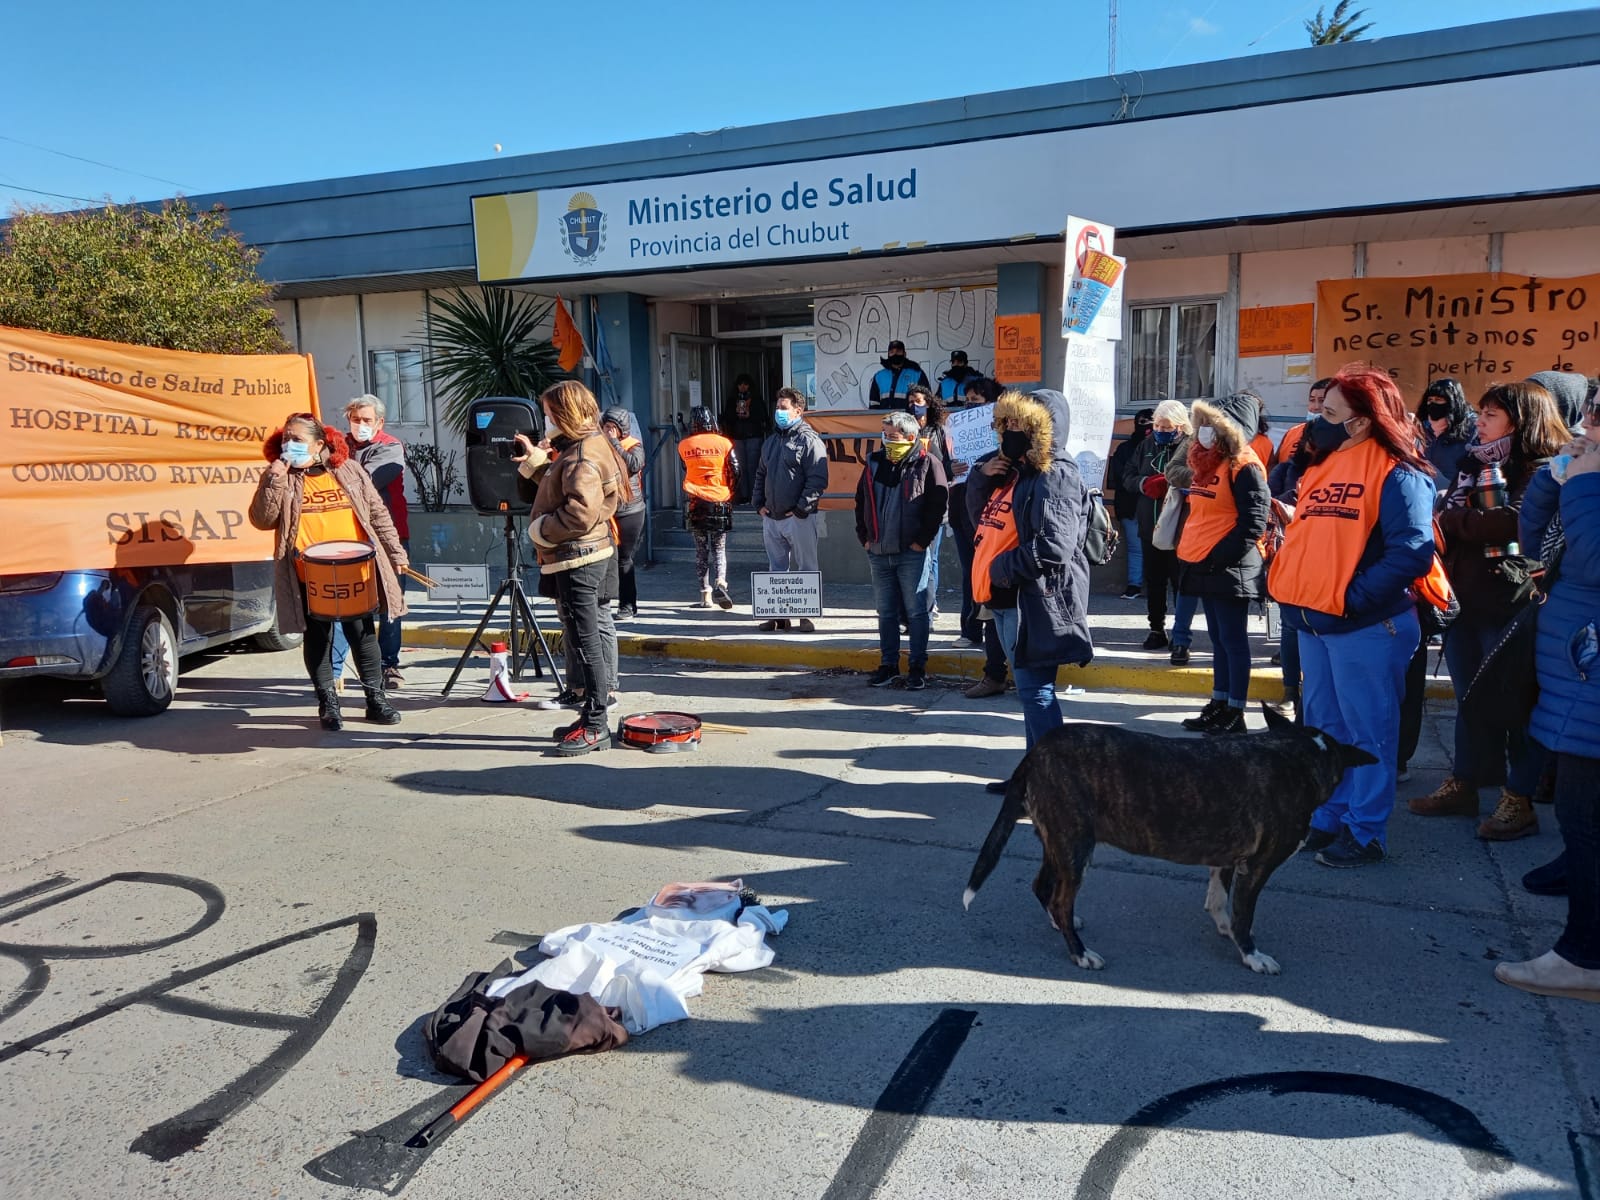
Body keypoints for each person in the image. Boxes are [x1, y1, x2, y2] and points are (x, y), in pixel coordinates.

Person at [1269, 365, 1435, 867]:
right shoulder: (1324, 466)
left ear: (1361, 422)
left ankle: (1366, 832)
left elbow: (1412, 553)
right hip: (1316, 624)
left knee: (1368, 735)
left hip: (1364, 626)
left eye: (1329, 412)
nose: (1315, 419)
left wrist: (1350, 598)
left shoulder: (1400, 473)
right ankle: (1329, 817)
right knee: (1325, 729)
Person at [1410, 380, 1568, 837]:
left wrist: (1449, 521)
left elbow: (1511, 521)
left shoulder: (1544, 469)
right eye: (1480, 413)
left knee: (1514, 701)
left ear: (1521, 424)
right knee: (1470, 698)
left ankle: (1517, 799)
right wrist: (1456, 520)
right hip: (1464, 599)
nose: (1478, 423)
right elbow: (1464, 516)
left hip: (1511, 601)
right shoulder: (1471, 464)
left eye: (1491, 416)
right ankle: (1465, 782)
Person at [1495, 433, 1600, 1002]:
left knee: (1584, 816)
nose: (1582, 437)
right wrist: (1551, 480)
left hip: (1591, 679)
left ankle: (1584, 958)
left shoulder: (1594, 488)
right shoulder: (1585, 484)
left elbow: (1594, 558)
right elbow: (1534, 554)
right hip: (1577, 674)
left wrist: (1584, 480)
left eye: (1594, 427)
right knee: (1580, 820)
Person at [967, 388, 1094, 789]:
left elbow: (1054, 546)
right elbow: (981, 522)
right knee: (1028, 693)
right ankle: (1032, 777)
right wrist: (979, 478)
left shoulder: (1055, 474)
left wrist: (1000, 568)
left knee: (1036, 692)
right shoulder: (1014, 471)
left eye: (1019, 424)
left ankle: (1057, 783)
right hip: (1007, 598)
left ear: (1042, 429)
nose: (1010, 432)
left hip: (1035, 599)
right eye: (1005, 424)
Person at [249, 413, 408, 731]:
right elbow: (262, 519)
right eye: (286, 439)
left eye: (297, 439)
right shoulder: (283, 476)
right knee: (318, 638)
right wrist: (274, 477)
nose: (289, 445)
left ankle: (376, 702)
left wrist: (396, 553)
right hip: (307, 574)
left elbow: (376, 512)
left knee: (362, 635)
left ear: (319, 443)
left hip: (354, 571)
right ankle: (328, 705)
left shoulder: (346, 470)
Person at [513, 381, 629, 756]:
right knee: (584, 638)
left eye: (548, 414)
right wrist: (537, 464)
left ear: (565, 414)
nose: (546, 420)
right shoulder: (586, 446)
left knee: (586, 641)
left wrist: (539, 531)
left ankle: (596, 724)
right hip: (584, 553)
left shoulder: (582, 455)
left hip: (579, 556)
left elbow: (579, 512)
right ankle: (590, 716)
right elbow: (561, 486)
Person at [1175, 393, 1270, 736]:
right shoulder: (1209, 461)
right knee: (1218, 638)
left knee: (1233, 639)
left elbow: (1254, 522)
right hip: (1206, 563)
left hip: (1230, 566)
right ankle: (1219, 701)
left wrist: (1219, 558)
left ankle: (1236, 709)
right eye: (1202, 425)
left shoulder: (1245, 465)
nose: (1204, 431)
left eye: (1212, 425)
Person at [855, 410, 948, 689]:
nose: (886, 441)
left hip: (912, 553)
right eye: (884, 435)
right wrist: (865, 538)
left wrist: (922, 541)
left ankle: (917, 668)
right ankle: (889, 665)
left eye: (892, 436)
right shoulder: (873, 462)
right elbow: (860, 502)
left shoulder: (928, 463)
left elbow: (938, 507)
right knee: (886, 613)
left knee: (917, 612)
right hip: (879, 552)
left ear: (910, 437)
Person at [328, 395, 409, 690]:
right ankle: (335, 670)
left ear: (379, 423)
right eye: (355, 419)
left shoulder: (390, 447)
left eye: (366, 420)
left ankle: (389, 665)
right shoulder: (337, 446)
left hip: (388, 536)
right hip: (347, 536)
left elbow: (365, 481)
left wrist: (333, 466)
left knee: (390, 604)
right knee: (341, 604)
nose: (360, 425)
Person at [1124, 399, 1200, 664]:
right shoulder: (1146, 445)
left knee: (1181, 583)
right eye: (1157, 424)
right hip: (1150, 524)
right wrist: (1144, 483)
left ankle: (1181, 636)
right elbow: (1128, 475)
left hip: (1181, 527)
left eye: (1166, 426)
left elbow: (1199, 476)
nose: (1160, 429)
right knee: (1154, 581)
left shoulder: (1191, 445)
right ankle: (1156, 628)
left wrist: (1174, 482)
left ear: (1181, 426)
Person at [752, 387, 830, 633]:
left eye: (784, 408)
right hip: (771, 516)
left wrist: (799, 509)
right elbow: (760, 473)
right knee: (776, 567)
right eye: (778, 407)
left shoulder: (810, 440)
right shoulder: (771, 441)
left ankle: (806, 617)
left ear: (798, 411)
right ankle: (778, 616)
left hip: (799, 517)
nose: (779, 412)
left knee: (806, 565)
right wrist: (758, 504)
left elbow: (818, 479)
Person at [678, 406, 739, 610]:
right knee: (719, 548)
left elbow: (685, 467)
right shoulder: (724, 443)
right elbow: (735, 470)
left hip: (696, 502)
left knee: (701, 551)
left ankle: (705, 595)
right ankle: (721, 582)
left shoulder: (684, 445)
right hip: (719, 500)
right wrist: (729, 491)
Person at [907, 384, 957, 621]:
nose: (913, 405)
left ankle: (931, 602)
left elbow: (946, 464)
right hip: (911, 502)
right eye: (910, 402)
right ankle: (913, 603)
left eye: (917, 400)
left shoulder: (940, 431)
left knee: (932, 556)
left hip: (934, 502)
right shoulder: (905, 429)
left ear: (928, 402)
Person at [602, 406, 646, 621]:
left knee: (624, 559)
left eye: (612, 428)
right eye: (606, 427)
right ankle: (604, 602)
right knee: (607, 558)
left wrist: (614, 444)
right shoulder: (600, 446)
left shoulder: (633, 446)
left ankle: (627, 605)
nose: (608, 431)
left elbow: (633, 465)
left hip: (631, 510)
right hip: (608, 509)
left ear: (622, 429)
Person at [1107, 409, 1154, 601]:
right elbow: (1119, 477)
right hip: (1133, 505)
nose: (1147, 426)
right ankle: (1136, 585)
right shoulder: (1126, 449)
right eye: (1143, 422)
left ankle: (1148, 585)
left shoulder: (1160, 447)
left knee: (1154, 548)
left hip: (1152, 505)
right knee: (1137, 548)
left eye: (1151, 422)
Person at [1416, 378, 1476, 496]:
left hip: (1458, 497)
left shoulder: (1472, 428)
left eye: (1439, 400)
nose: (1433, 404)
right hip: (1429, 494)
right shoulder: (1424, 427)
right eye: (1430, 400)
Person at [720, 374, 769, 505]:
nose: (742, 387)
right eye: (740, 384)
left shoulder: (757, 400)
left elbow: (763, 417)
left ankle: (755, 496)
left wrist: (750, 414)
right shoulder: (732, 400)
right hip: (737, 438)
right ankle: (742, 496)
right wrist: (736, 414)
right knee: (740, 468)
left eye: (745, 384)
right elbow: (727, 418)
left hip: (753, 436)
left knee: (754, 467)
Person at [1275, 378, 1331, 466]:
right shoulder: (1292, 432)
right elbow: (1274, 464)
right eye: (1312, 400)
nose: (1316, 407)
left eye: (1322, 401)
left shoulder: (1339, 437)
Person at [868, 340, 930, 409]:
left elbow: (926, 401)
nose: (895, 354)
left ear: (904, 354)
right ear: (888, 355)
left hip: (909, 418)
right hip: (884, 419)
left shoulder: (917, 374)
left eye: (898, 351)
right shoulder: (879, 376)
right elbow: (874, 404)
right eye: (892, 352)